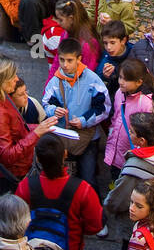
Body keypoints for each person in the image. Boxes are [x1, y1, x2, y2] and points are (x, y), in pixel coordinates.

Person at [0, 54, 62, 195]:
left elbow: (16, 130)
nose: (16, 79)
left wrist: (42, 127)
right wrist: (36, 133)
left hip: (19, 170)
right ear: (0, 80)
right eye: (12, 76)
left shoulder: (0, 96)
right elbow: (7, 155)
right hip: (10, 178)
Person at [41, 36, 111, 193]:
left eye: (69, 60)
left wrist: (84, 120)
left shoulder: (93, 80)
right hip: (64, 137)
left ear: (79, 59)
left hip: (88, 138)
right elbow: (46, 103)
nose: (65, 65)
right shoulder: (55, 81)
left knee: (88, 179)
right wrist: (54, 110)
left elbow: (104, 108)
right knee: (66, 178)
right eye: (62, 60)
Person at [103, 112, 154, 226]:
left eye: (131, 132)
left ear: (142, 140)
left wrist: (107, 208)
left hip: (133, 222)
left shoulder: (134, 168)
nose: (128, 134)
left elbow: (120, 198)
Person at [104, 58, 154, 178]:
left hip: (132, 155)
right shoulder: (119, 93)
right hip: (116, 150)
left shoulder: (146, 103)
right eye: (120, 77)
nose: (121, 82)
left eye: (126, 79)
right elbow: (116, 118)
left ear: (139, 82)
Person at [42, 0, 100, 81]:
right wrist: (49, 88)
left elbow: (88, 76)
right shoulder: (65, 34)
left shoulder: (88, 44)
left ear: (71, 19)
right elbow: (56, 63)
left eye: (60, 20)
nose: (57, 23)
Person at [98, 20, 135, 103]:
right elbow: (99, 77)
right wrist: (106, 76)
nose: (108, 47)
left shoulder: (134, 52)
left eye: (112, 43)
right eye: (105, 43)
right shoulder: (105, 58)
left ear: (123, 41)